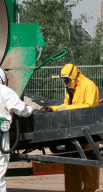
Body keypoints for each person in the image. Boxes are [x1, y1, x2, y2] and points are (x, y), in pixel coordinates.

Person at [48, 63, 100, 192]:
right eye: (64, 80)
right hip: (73, 133)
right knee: (71, 164)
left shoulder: (89, 85)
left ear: (74, 77)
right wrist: (52, 108)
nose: (65, 83)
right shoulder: (71, 89)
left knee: (89, 164)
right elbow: (66, 105)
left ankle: (89, 189)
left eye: (67, 80)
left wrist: (65, 108)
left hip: (89, 133)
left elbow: (88, 107)